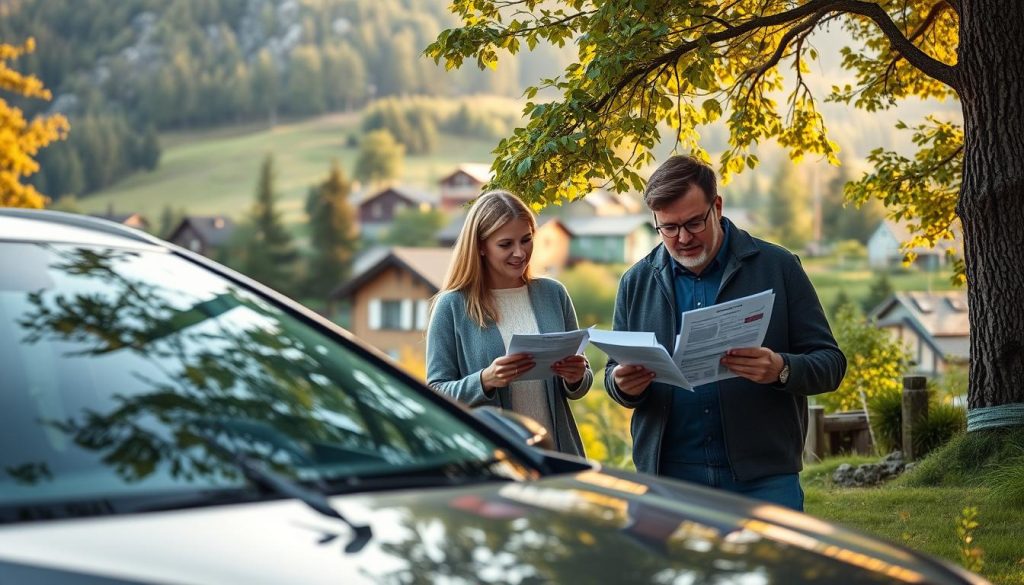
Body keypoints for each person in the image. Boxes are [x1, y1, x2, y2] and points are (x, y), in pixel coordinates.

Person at [604, 155, 846, 510]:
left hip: (765, 478)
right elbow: (613, 373)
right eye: (668, 228)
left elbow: (830, 364)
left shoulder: (778, 267)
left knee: (768, 568)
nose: (683, 238)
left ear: (716, 206)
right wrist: (622, 386)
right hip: (668, 478)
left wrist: (781, 369)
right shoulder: (636, 282)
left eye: (693, 223)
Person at [427, 190, 593, 456]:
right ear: (480, 246)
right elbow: (436, 392)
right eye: (505, 244)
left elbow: (581, 384)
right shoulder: (452, 306)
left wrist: (575, 378)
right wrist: (485, 380)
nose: (519, 253)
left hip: (558, 455)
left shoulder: (553, 294)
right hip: (493, 461)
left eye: (526, 240)